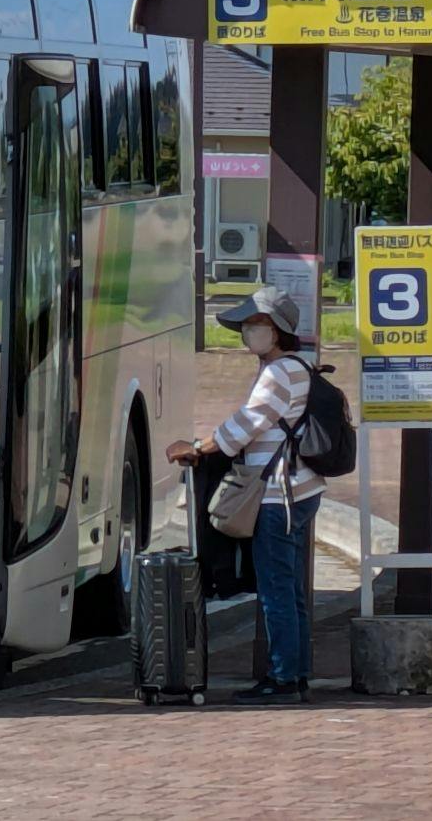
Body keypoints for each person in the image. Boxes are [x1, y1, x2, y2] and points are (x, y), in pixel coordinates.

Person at [167, 285, 321, 706]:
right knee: (290, 590)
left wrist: (198, 448)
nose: (249, 332)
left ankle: (283, 678)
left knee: (276, 589)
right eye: (248, 325)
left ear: (279, 330)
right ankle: (296, 673)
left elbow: (246, 426)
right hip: (300, 489)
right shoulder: (297, 367)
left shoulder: (278, 373)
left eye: (258, 324)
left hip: (278, 496)